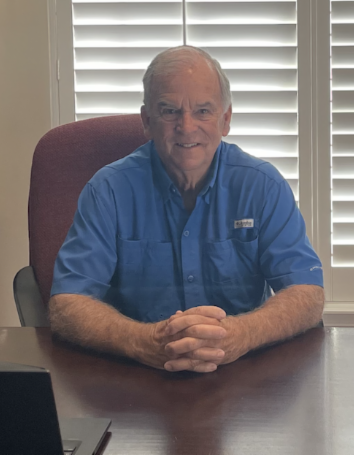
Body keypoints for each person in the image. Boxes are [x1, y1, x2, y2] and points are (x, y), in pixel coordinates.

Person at [49, 46, 325, 373]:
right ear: (147, 121)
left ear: (226, 119)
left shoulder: (262, 185)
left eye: (203, 111)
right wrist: (144, 340)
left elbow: (307, 294)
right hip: (134, 372)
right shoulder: (108, 189)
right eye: (169, 111)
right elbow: (66, 305)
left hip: (241, 372)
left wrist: (241, 334)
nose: (187, 126)